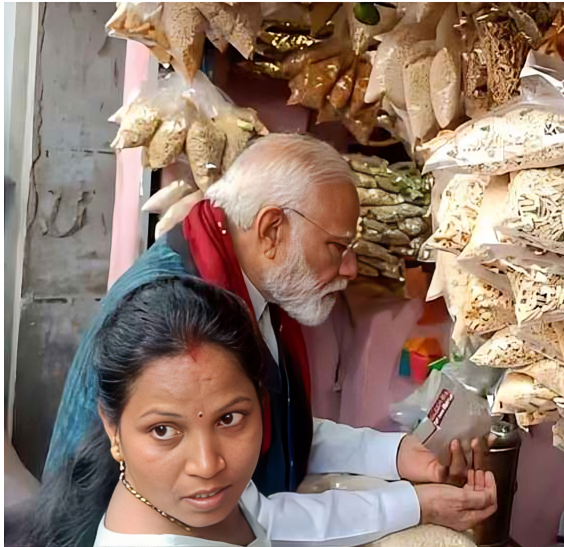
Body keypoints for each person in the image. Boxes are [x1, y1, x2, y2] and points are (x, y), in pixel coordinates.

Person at [45, 134, 492, 545]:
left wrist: (395, 454)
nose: (351, 268)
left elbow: (274, 425)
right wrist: (414, 503)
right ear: (272, 230)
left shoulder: (239, 286)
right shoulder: (184, 318)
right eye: (337, 246)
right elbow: (250, 513)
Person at [26, 278, 497, 547]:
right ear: (113, 429)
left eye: (230, 419)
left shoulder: (190, 500)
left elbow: (271, 521)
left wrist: (417, 498)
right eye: (164, 430)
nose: (207, 464)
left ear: (262, 403)